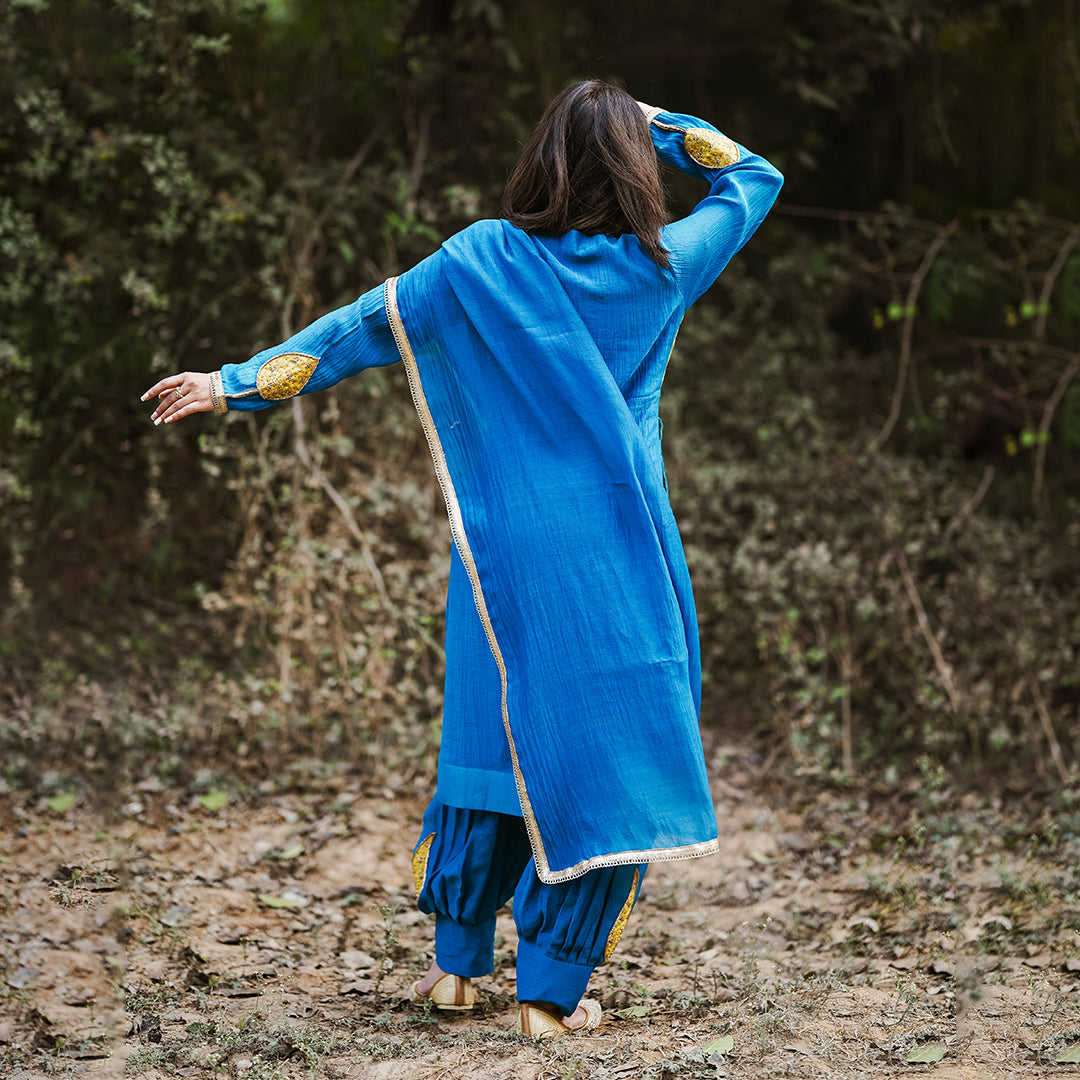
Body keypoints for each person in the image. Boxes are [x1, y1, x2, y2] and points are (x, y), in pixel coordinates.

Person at [143, 80, 783, 1037]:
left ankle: (454, 971)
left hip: (497, 561)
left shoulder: (481, 261)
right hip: (612, 562)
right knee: (599, 758)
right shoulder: (662, 270)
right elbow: (755, 181)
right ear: (633, 170)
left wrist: (231, 385)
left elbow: (355, 331)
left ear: (545, 161)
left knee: (488, 749)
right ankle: (550, 998)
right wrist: (666, 126)